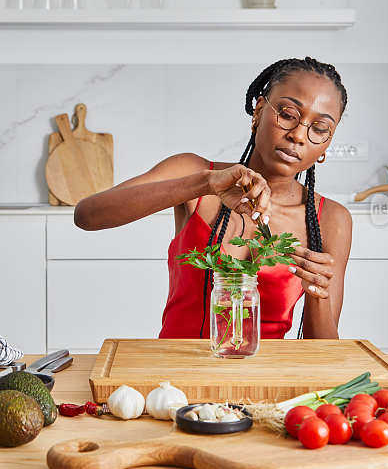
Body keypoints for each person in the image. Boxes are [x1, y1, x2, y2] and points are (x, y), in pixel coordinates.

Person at [75, 57, 352, 339]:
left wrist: (319, 293)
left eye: (319, 129)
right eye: (288, 114)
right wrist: (204, 184)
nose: (298, 136)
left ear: (327, 145)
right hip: (175, 374)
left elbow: (325, 352)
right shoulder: (194, 174)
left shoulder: (330, 218)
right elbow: (87, 215)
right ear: (258, 111)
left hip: (268, 378)